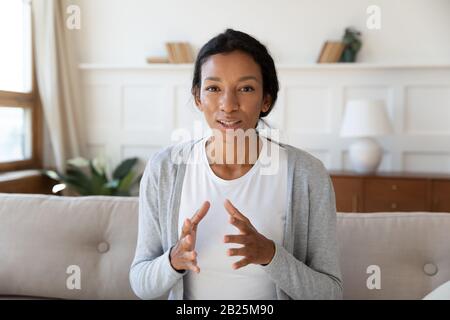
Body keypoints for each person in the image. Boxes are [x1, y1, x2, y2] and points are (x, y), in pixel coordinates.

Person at [129, 29, 343, 300]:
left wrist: (271, 256)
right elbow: (141, 284)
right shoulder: (164, 169)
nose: (228, 105)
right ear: (198, 97)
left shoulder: (306, 174)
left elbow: (331, 293)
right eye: (213, 88)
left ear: (266, 99)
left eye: (245, 88)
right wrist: (174, 259)